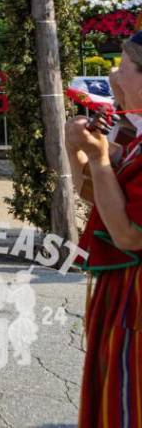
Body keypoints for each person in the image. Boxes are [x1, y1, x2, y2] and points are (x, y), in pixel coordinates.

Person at [68, 31, 142, 428]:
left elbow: (129, 234)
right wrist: (76, 149)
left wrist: (97, 159)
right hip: (123, 293)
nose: (114, 75)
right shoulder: (135, 135)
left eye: (124, 66)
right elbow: (96, 196)